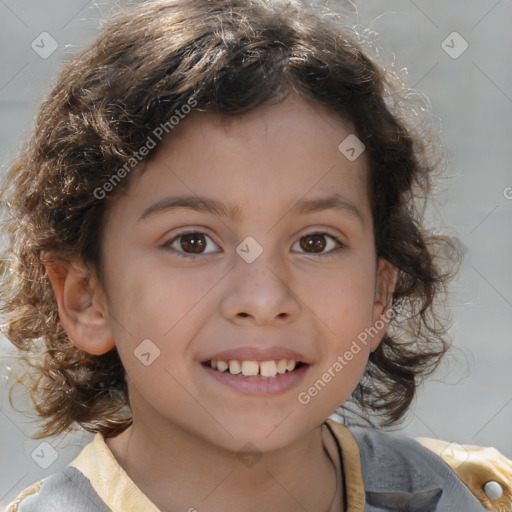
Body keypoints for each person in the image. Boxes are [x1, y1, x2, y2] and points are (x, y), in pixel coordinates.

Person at [1, 0, 511, 511]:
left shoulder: (477, 497)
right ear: (86, 298)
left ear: (379, 297)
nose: (264, 299)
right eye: (192, 242)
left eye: (316, 242)